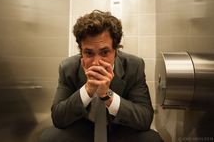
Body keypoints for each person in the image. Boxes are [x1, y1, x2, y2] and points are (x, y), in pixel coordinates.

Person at [39, 10, 163, 142]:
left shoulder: (134, 66)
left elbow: (144, 119)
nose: (96, 62)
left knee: (152, 139)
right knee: (48, 138)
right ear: (81, 52)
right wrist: (87, 90)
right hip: (83, 128)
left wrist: (107, 95)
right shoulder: (68, 68)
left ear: (115, 50)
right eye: (89, 53)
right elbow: (58, 118)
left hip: (120, 129)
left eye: (104, 52)